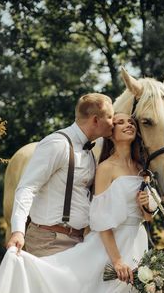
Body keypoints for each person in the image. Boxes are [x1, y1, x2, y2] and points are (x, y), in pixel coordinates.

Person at [0, 113, 161, 293]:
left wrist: (147, 205)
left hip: (138, 243)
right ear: (111, 133)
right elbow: (99, 221)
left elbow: (147, 217)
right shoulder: (105, 168)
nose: (128, 124)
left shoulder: (143, 169)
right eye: (119, 122)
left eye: (131, 122)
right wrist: (117, 260)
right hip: (113, 246)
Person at [7, 93, 114, 257]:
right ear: (95, 120)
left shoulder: (90, 152)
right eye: (110, 117)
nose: (112, 123)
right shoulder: (57, 144)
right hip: (49, 240)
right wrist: (18, 231)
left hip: (78, 240)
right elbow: (28, 187)